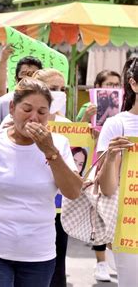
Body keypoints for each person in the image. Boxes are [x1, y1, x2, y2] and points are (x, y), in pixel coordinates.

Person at [0, 78, 82, 287]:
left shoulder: (59, 144)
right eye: (27, 109)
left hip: (38, 254)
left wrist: (50, 152)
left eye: (42, 112)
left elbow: (72, 191)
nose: (34, 117)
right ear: (12, 108)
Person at [75, 70, 121, 282]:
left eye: (116, 84)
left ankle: (114, 260)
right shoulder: (89, 107)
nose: (112, 88)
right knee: (98, 213)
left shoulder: (123, 107)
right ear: (98, 85)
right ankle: (100, 263)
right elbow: (75, 135)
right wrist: (87, 120)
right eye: (108, 84)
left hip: (118, 166)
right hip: (95, 163)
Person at [96, 57, 138, 287]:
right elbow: (108, 188)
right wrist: (111, 157)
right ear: (133, 84)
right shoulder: (117, 124)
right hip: (129, 225)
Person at [0, 56, 43, 132]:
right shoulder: (3, 103)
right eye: (24, 74)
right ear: (16, 78)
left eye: (33, 74)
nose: (29, 78)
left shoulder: (48, 104)